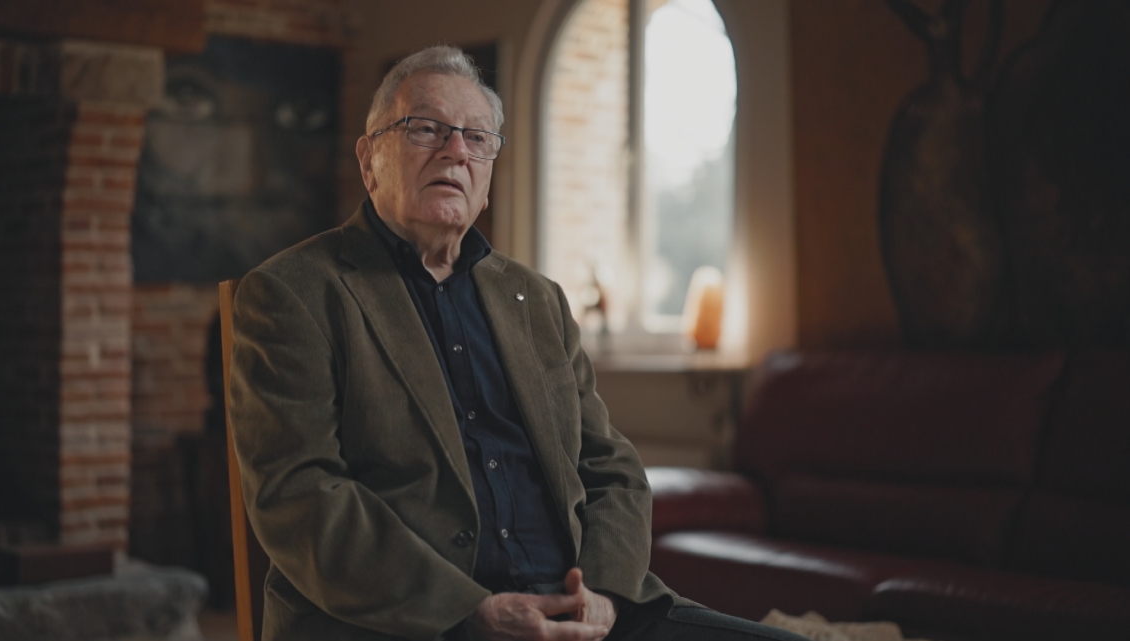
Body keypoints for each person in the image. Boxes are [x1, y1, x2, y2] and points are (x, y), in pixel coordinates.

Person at [230, 45, 809, 641]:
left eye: (477, 137)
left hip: (584, 611)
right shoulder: (292, 293)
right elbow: (298, 496)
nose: (456, 150)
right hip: (412, 623)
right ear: (369, 159)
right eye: (426, 128)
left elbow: (611, 466)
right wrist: (469, 612)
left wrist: (606, 593)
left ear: (486, 174)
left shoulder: (536, 299)